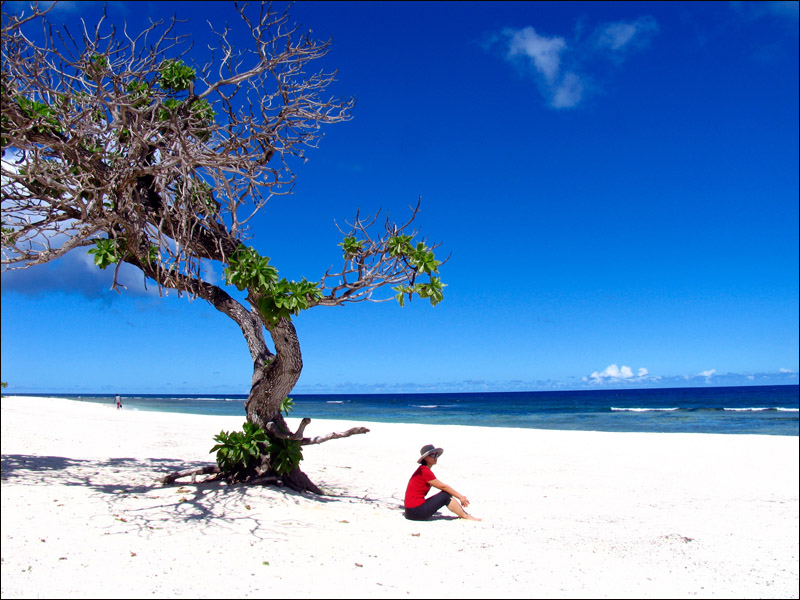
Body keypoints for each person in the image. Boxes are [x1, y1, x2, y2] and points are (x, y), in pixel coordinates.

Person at [403, 444, 480, 521]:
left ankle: (464, 515)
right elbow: (443, 487)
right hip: (415, 512)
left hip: (411, 512)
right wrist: (460, 497)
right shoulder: (424, 471)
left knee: (445, 494)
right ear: (425, 457)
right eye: (432, 455)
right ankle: (465, 516)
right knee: (445, 495)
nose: (435, 457)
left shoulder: (422, 469)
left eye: (436, 455)